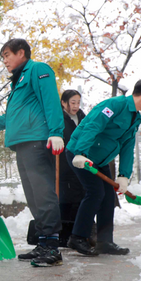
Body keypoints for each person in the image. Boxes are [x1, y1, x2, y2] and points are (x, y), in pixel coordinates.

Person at [0, 38, 65, 267]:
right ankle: (44, 243)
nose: (4, 60)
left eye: (7, 55)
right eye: (3, 57)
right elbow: (12, 117)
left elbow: (51, 101)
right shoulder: (17, 84)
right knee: (33, 195)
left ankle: (53, 247)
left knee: (43, 193)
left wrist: (56, 132)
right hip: (22, 143)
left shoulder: (38, 69)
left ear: (22, 52)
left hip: (37, 140)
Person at [66, 78, 141, 256]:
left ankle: (105, 242)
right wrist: (81, 152)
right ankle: (77, 237)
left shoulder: (135, 118)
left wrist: (124, 175)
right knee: (95, 192)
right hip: (81, 154)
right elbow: (93, 125)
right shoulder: (114, 105)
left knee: (107, 197)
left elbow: (127, 147)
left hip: (100, 160)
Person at [58, 89, 87, 246]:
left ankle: (78, 234)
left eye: (78, 102)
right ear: (64, 103)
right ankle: (64, 235)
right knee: (66, 200)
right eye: (72, 102)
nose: (76, 106)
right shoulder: (59, 118)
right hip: (64, 165)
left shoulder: (83, 117)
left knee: (80, 198)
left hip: (81, 164)